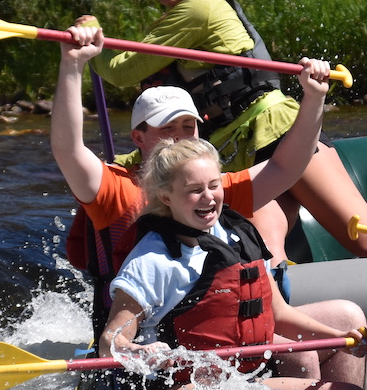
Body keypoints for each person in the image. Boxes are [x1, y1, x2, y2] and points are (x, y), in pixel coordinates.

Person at [87, 0, 367, 260]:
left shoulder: (199, 9)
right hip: (239, 151)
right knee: (267, 254)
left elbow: (121, 71)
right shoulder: (181, 15)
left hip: (274, 132)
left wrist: (90, 33)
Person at [52, 24, 336, 368]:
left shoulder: (214, 191)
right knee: (301, 357)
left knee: (342, 321)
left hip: (228, 335)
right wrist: (73, 64)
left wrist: (314, 96)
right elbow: (68, 151)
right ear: (138, 138)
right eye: (166, 129)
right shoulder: (115, 189)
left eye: (188, 128)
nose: (180, 139)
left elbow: (287, 167)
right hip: (160, 345)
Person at [103, 137, 367, 390]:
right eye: (194, 190)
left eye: (213, 185)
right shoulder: (152, 261)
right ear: (166, 197)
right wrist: (140, 350)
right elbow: (111, 340)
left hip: (242, 374)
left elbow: (277, 314)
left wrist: (337, 338)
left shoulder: (237, 234)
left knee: (347, 317)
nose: (208, 197)